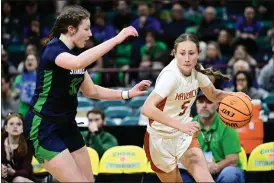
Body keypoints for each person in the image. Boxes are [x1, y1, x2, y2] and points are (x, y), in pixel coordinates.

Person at [23, 5, 151, 182]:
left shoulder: (75, 54)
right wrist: (117, 38)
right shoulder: (54, 51)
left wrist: (127, 93)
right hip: (43, 127)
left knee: (89, 181)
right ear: (71, 29)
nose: (90, 34)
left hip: (67, 125)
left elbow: (92, 91)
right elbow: (77, 63)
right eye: (86, 29)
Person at [141, 33, 249, 182]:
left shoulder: (197, 70)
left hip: (183, 136)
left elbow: (213, 94)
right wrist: (181, 125)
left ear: (198, 53)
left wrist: (236, 96)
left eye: (191, 53)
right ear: (174, 53)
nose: (187, 59)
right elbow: (147, 108)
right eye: (182, 53)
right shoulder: (170, 76)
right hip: (159, 139)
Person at [179, 92, 245, 183]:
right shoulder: (188, 125)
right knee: (178, 175)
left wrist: (216, 167)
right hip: (196, 172)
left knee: (231, 174)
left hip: (221, 170)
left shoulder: (227, 125)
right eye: (201, 102)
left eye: (209, 102)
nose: (204, 105)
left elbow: (233, 159)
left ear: (217, 105)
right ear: (196, 104)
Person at [1, 113, 34, 183]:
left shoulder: (28, 144)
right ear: (6, 128)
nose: (15, 126)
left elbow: (27, 170)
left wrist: (13, 172)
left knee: (18, 180)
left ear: (22, 129)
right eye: (11, 124)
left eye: (19, 124)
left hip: (23, 179)